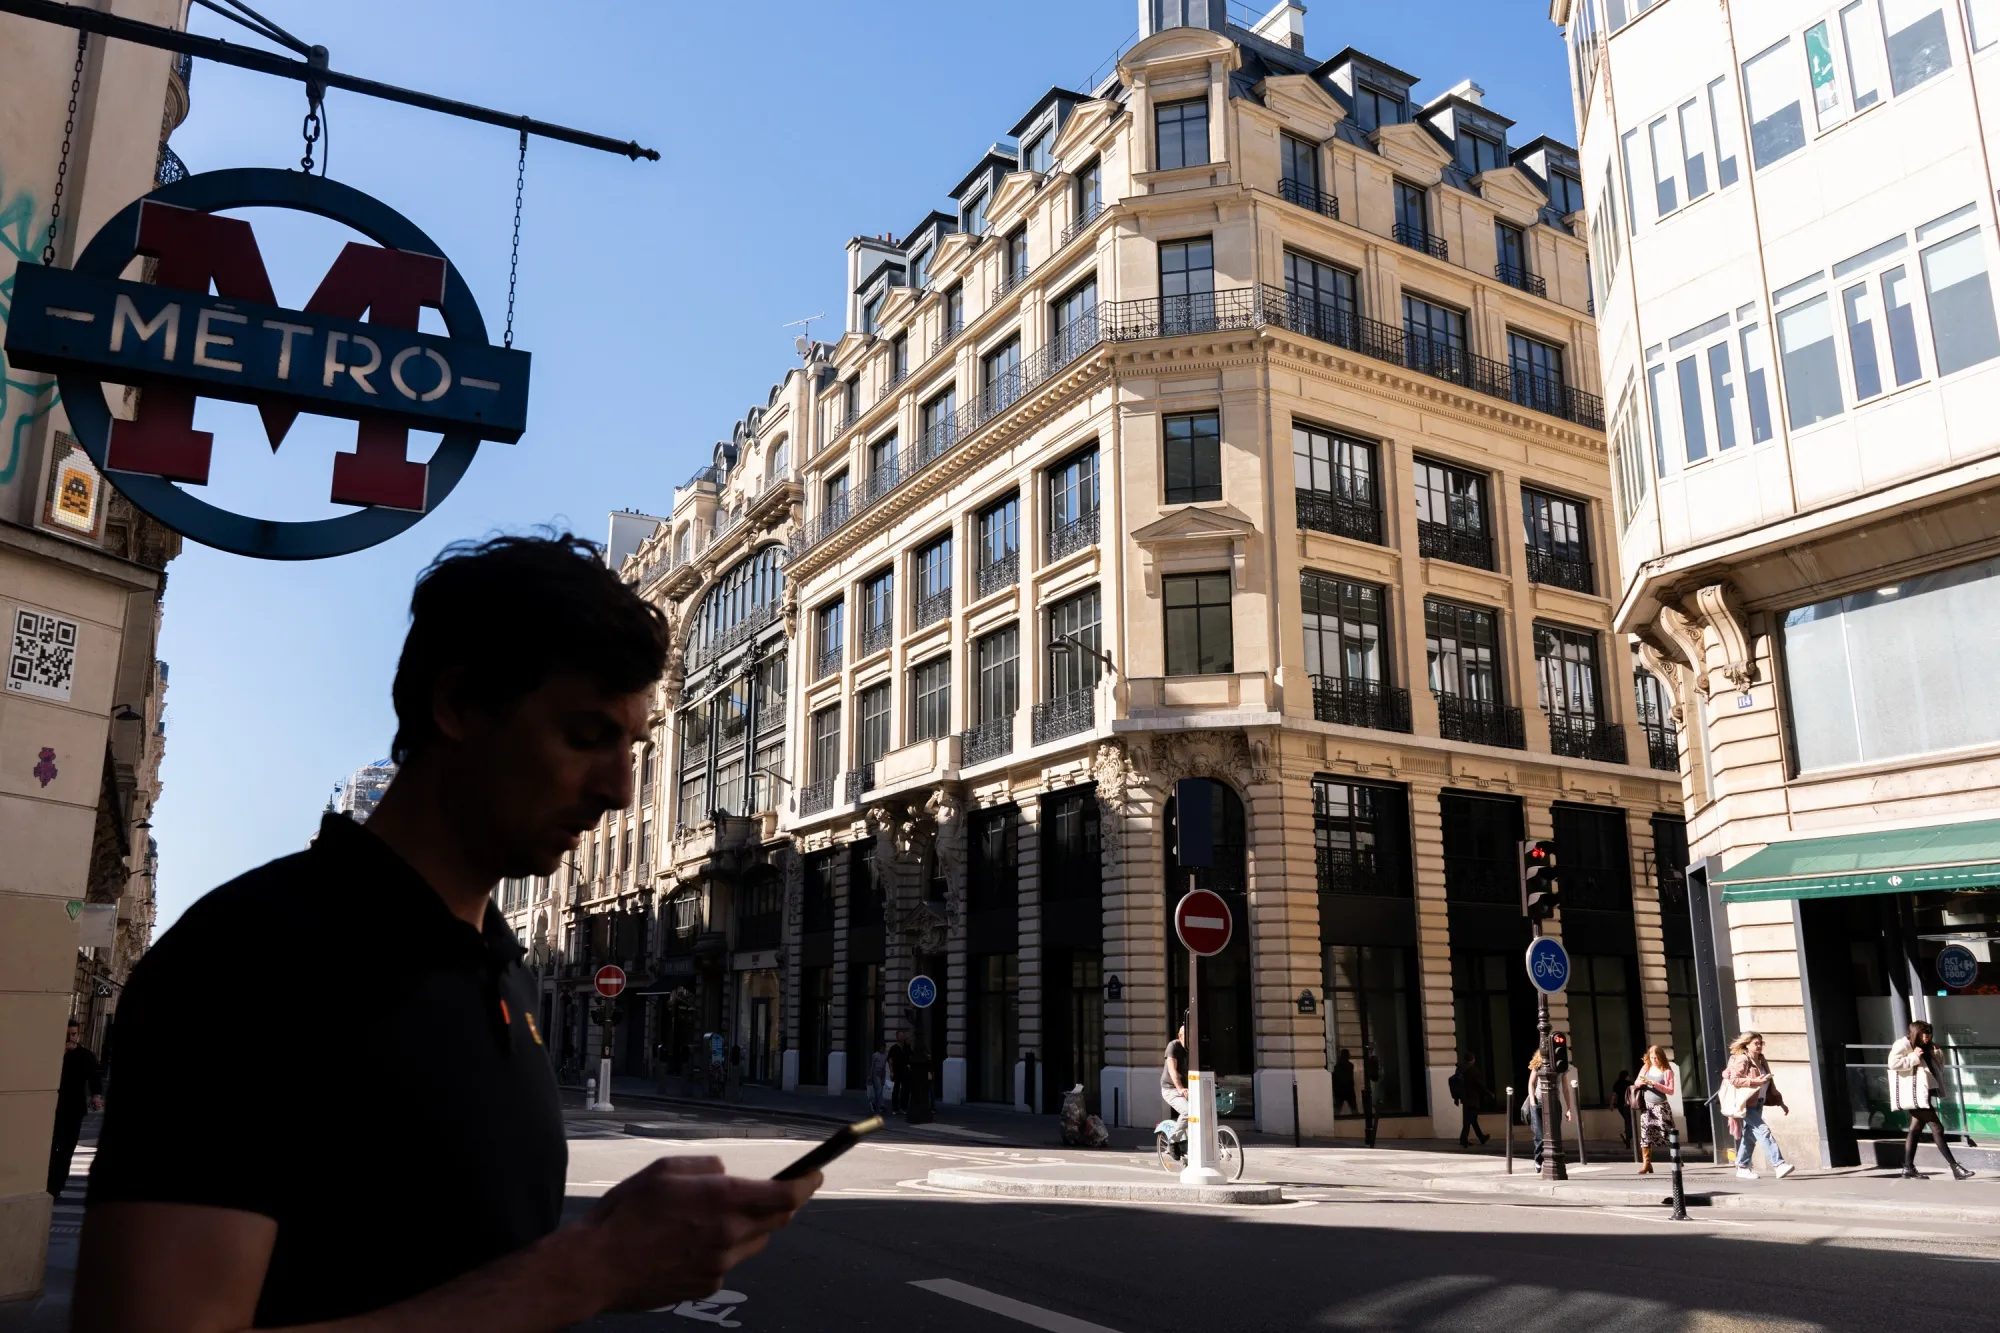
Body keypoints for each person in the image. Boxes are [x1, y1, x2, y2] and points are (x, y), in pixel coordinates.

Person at [74, 535, 821, 1332]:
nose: (620, 788)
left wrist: (591, 1252)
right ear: (459, 704)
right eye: (584, 734)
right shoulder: (249, 961)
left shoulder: (508, 973)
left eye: (634, 746)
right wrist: (585, 1269)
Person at [1890, 1020, 1974, 1180]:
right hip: (1914, 1094)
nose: (1928, 1036)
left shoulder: (1926, 1046)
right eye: (1924, 1033)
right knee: (1937, 1128)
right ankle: (1955, 1168)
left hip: (1924, 1093)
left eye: (1929, 1033)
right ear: (1916, 1033)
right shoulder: (1903, 1045)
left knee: (1915, 1131)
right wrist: (1913, 1057)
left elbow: (1936, 1067)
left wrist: (1936, 1052)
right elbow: (1893, 1063)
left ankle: (1908, 1168)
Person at [1723, 1030, 1795, 1181]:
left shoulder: (1761, 1059)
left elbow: (1770, 1083)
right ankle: (1779, 1164)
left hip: (1758, 1101)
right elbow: (1734, 1080)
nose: (1759, 1046)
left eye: (1761, 1043)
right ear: (1747, 1044)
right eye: (1756, 1043)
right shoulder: (1743, 1059)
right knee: (1763, 1130)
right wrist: (1754, 1082)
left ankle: (1742, 1167)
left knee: (1749, 1135)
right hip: (1745, 1103)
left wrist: (1779, 1102)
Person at [47, 1017, 103, 1199]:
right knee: (50, 1148)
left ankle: (57, 1187)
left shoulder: (85, 1056)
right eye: (67, 1035)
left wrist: (96, 1096)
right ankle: (48, 1184)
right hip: (52, 1108)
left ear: (78, 1035)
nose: (71, 1038)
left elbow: (94, 1078)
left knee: (66, 1150)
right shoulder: (52, 1054)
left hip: (74, 1109)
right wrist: (62, 1053)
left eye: (74, 1034)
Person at [1524, 1050, 1575, 1166]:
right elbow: (1531, 1083)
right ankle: (1538, 1159)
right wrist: (1532, 1101)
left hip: (1554, 1102)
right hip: (1538, 1103)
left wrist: (1569, 1108)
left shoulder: (1560, 1066)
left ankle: (1556, 1159)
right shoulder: (1538, 1064)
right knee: (1539, 1134)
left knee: (1555, 1133)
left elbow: (1565, 1088)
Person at [1634, 1046, 1677, 1175]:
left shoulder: (1667, 1071)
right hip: (1647, 1107)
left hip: (1661, 1107)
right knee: (1645, 1135)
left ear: (1661, 1058)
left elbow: (1671, 1090)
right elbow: (1636, 1082)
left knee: (1668, 1134)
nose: (1654, 1060)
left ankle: (1676, 1158)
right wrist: (1641, 1083)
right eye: (1652, 1058)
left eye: (1656, 1058)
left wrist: (1655, 1084)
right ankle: (1646, 1164)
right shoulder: (1646, 1067)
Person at [1452, 1054, 1490, 1148]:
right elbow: (1480, 1083)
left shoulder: (1460, 1069)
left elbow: (1455, 1084)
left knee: (1472, 1119)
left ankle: (1481, 1137)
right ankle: (1463, 1139)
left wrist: (1456, 1098)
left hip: (1464, 1098)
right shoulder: (1472, 1070)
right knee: (1469, 1120)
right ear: (1473, 1059)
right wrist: (1488, 1093)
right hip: (1473, 1098)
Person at [1162, 1020, 1189, 1124]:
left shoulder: (1193, 1048)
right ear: (1180, 1035)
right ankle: (1174, 1139)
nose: (1188, 1041)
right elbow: (1172, 1070)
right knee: (1188, 1113)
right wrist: (1180, 1088)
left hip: (1187, 1088)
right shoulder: (1173, 1046)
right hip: (1170, 1089)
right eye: (1186, 1037)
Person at [887, 1029, 912, 1114]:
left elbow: (911, 1057)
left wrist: (910, 1066)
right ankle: (895, 1108)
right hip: (897, 1072)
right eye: (900, 1035)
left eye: (903, 1035)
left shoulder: (907, 1047)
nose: (902, 1037)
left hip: (906, 1072)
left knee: (906, 1089)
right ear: (897, 1037)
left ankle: (904, 1107)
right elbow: (890, 1060)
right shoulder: (894, 1048)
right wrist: (891, 1071)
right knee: (896, 1090)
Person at [1611, 1069, 1635, 1146]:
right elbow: (1633, 1094)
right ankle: (1628, 1136)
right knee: (1629, 1121)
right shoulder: (1629, 1084)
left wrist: (1611, 1104)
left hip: (1620, 1105)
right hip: (1628, 1104)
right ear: (1626, 1076)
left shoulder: (1617, 1083)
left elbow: (1614, 1095)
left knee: (1627, 1120)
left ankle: (1628, 1135)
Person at [866, 1039, 888, 1116]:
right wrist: (870, 1075)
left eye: (884, 1048)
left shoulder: (886, 1055)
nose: (883, 1049)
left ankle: (874, 1103)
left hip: (883, 1073)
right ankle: (882, 1106)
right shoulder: (875, 1055)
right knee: (879, 1089)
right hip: (876, 1073)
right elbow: (872, 1066)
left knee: (879, 1090)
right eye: (881, 1048)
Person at [1333, 1048, 1357, 1117]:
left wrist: (1335, 1090)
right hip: (1348, 1090)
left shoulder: (1337, 1066)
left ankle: (1336, 1118)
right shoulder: (1350, 1065)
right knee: (1354, 1108)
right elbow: (1350, 1078)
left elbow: (1335, 1079)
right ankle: (1357, 1119)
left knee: (1338, 1109)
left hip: (1340, 1090)